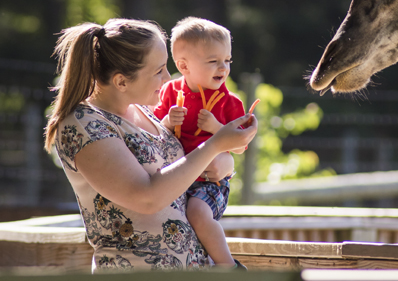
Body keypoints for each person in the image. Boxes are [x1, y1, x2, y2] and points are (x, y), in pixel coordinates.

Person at [43, 18, 257, 272]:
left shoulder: (147, 111)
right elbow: (146, 197)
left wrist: (225, 160)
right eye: (158, 71)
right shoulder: (83, 124)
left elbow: (185, 167)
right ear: (121, 81)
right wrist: (214, 146)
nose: (168, 78)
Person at [154, 17, 248, 268]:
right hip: (174, 177)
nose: (223, 68)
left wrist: (217, 129)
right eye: (213, 61)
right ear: (184, 66)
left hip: (209, 183)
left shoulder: (231, 103)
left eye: (227, 60)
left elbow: (240, 146)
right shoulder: (169, 92)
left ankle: (228, 266)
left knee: (196, 213)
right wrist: (165, 121)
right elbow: (152, 130)